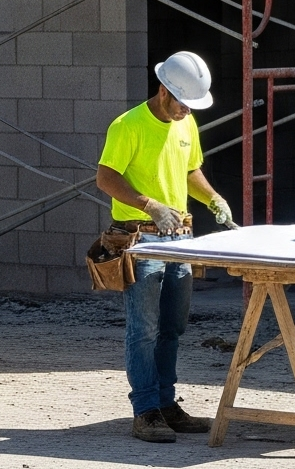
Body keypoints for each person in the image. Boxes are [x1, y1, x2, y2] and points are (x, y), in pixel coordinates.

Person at [96, 50, 237, 443]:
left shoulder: (186, 124)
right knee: (144, 329)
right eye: (182, 103)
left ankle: (165, 403)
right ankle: (145, 410)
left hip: (180, 238)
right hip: (142, 238)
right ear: (164, 91)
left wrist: (213, 199)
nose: (186, 112)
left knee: (172, 327)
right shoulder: (128, 126)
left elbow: (191, 170)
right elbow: (106, 178)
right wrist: (150, 205)